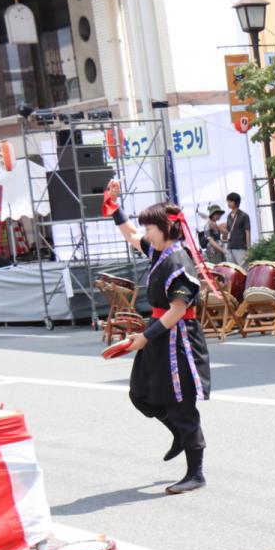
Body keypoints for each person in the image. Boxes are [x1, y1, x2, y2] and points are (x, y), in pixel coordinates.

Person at [105, 181, 210, 494]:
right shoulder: (159, 252)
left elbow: (178, 310)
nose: (146, 233)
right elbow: (130, 234)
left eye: (150, 228)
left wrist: (144, 337)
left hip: (180, 340)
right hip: (160, 334)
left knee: (181, 403)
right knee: (141, 393)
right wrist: (113, 205)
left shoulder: (179, 262)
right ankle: (178, 433)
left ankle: (196, 473)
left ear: (166, 228)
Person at [223, 192, 251, 266]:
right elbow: (228, 230)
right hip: (230, 246)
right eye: (228, 201)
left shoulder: (244, 216)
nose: (228, 203)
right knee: (231, 268)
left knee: (243, 267)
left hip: (241, 246)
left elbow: (247, 231)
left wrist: (248, 247)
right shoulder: (228, 216)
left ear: (236, 202)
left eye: (230, 201)